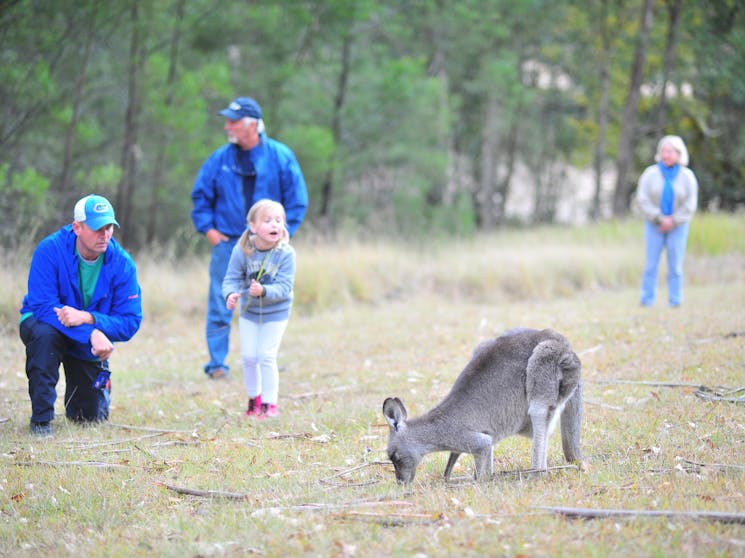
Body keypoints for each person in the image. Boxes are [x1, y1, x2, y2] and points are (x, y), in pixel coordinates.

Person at [191, 96, 307, 380]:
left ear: (252, 125)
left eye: (233, 121)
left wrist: (280, 235)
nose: (227, 126)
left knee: (265, 303)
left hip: (270, 248)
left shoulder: (280, 156)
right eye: (227, 121)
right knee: (222, 301)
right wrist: (210, 232)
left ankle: (262, 359)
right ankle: (217, 365)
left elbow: (297, 200)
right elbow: (201, 198)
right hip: (228, 244)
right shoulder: (218, 160)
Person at [18, 194, 143, 436]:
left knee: (89, 418)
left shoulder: (123, 264)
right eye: (97, 228)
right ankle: (41, 421)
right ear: (77, 227)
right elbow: (43, 306)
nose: (105, 234)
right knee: (46, 337)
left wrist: (90, 320)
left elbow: (130, 321)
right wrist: (92, 333)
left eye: (109, 227)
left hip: (85, 336)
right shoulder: (49, 250)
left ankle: (90, 395)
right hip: (43, 322)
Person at [223, 199, 295, 419]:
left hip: (277, 313)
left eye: (278, 220)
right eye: (267, 220)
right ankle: (254, 400)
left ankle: (269, 404)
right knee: (248, 357)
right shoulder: (243, 250)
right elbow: (231, 278)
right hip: (250, 313)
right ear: (253, 226)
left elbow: (285, 287)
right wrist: (231, 294)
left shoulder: (286, 253)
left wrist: (264, 290)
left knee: (265, 356)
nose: (275, 225)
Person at [636, 135, 698, 307]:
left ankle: (675, 300)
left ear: (679, 154)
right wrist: (659, 218)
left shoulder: (687, 176)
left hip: (678, 227)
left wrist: (673, 221)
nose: (666, 154)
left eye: (670, 151)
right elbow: (642, 199)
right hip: (654, 225)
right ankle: (646, 300)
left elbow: (690, 205)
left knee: (675, 266)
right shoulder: (650, 174)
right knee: (650, 265)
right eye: (663, 150)